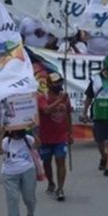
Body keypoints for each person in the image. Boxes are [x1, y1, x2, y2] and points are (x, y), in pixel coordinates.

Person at [0, 128, 39, 216]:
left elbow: (37, 145)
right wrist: (0, 135)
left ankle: (30, 213)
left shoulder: (28, 139)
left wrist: (32, 130)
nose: (16, 134)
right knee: (13, 198)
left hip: (27, 170)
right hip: (9, 173)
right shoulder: (6, 141)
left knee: (29, 198)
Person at [37, 72, 72, 201]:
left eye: (60, 82)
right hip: (45, 137)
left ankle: (61, 188)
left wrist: (70, 133)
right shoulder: (42, 97)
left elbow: (68, 115)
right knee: (47, 162)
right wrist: (59, 100)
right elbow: (46, 110)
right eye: (56, 82)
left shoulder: (65, 98)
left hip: (60, 137)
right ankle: (51, 182)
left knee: (60, 160)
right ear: (49, 84)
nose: (59, 84)